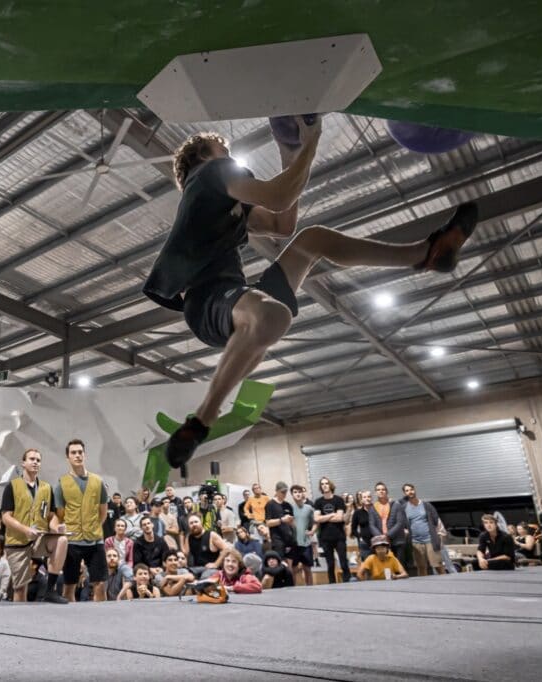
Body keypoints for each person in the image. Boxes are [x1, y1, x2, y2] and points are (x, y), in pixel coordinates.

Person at [152, 122, 480, 467]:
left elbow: (282, 225)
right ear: (205, 155)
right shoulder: (210, 174)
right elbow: (279, 195)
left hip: (234, 298)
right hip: (208, 301)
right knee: (273, 315)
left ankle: (424, 254)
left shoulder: (215, 198)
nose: (230, 158)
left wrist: (288, 152)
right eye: (225, 152)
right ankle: (202, 419)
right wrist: (312, 140)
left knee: (312, 240)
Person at [1, 448, 68, 603]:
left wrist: (56, 527)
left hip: (39, 538)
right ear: (23, 463)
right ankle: (19, 620)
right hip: (18, 542)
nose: (35, 462)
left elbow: (50, 515)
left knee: (62, 540)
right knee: (20, 587)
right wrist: (25, 530)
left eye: (38, 460)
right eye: (31, 459)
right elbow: (6, 517)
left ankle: (51, 590)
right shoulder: (12, 486)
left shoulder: (46, 488)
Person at [54, 438, 109, 603]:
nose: (77, 455)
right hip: (72, 541)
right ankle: (70, 624)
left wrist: (93, 528)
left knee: (99, 584)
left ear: (84, 455)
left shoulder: (98, 482)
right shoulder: (61, 484)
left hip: (95, 539)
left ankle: (104, 621)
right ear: (68, 457)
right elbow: (60, 514)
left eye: (80, 452)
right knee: (69, 585)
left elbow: (103, 513)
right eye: (73, 453)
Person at [399, 483, 444, 576]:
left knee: (437, 565)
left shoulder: (426, 505)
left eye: (411, 489)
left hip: (429, 540)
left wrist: (439, 536)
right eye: (407, 490)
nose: (410, 492)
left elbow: (436, 520)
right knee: (421, 567)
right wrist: (405, 530)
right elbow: (403, 523)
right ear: (404, 493)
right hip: (416, 542)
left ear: (414, 490)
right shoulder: (404, 507)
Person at [313, 477, 350, 584]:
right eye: (322, 484)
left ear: (330, 485)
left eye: (326, 483)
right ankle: (332, 584)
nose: (324, 485)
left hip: (339, 537)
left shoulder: (338, 500)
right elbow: (316, 519)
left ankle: (347, 583)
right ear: (320, 486)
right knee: (330, 565)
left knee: (343, 563)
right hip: (325, 538)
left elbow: (340, 518)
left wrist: (324, 517)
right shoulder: (318, 501)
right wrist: (332, 514)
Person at [286, 484, 316, 586]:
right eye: (295, 492)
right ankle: (295, 591)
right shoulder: (289, 508)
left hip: (306, 544)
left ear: (302, 493)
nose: (298, 494)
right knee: (293, 570)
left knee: (307, 569)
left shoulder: (309, 508)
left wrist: (312, 531)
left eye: (299, 492)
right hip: (294, 544)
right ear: (292, 494)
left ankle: (311, 589)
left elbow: (315, 522)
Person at [185, 512, 230, 579]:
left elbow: (227, 549)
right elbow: (186, 553)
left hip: (211, 569)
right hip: (196, 568)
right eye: (191, 523)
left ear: (201, 522)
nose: (194, 524)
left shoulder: (212, 535)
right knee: (183, 573)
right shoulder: (189, 537)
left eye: (196, 522)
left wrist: (216, 564)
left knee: (204, 577)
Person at [264, 481, 297, 568]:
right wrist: (281, 520)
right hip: (278, 540)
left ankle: (290, 581)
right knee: (280, 566)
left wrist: (292, 523)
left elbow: (293, 524)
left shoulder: (288, 505)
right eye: (282, 492)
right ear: (276, 491)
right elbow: (268, 523)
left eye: (286, 492)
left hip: (289, 539)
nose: (284, 494)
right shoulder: (270, 504)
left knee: (290, 567)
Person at [351, 490, 375, 561]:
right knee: (367, 565)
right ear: (361, 499)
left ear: (371, 498)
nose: (367, 499)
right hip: (365, 543)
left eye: (369, 497)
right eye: (364, 497)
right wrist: (360, 537)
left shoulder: (376, 510)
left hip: (377, 541)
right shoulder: (357, 513)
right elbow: (353, 529)